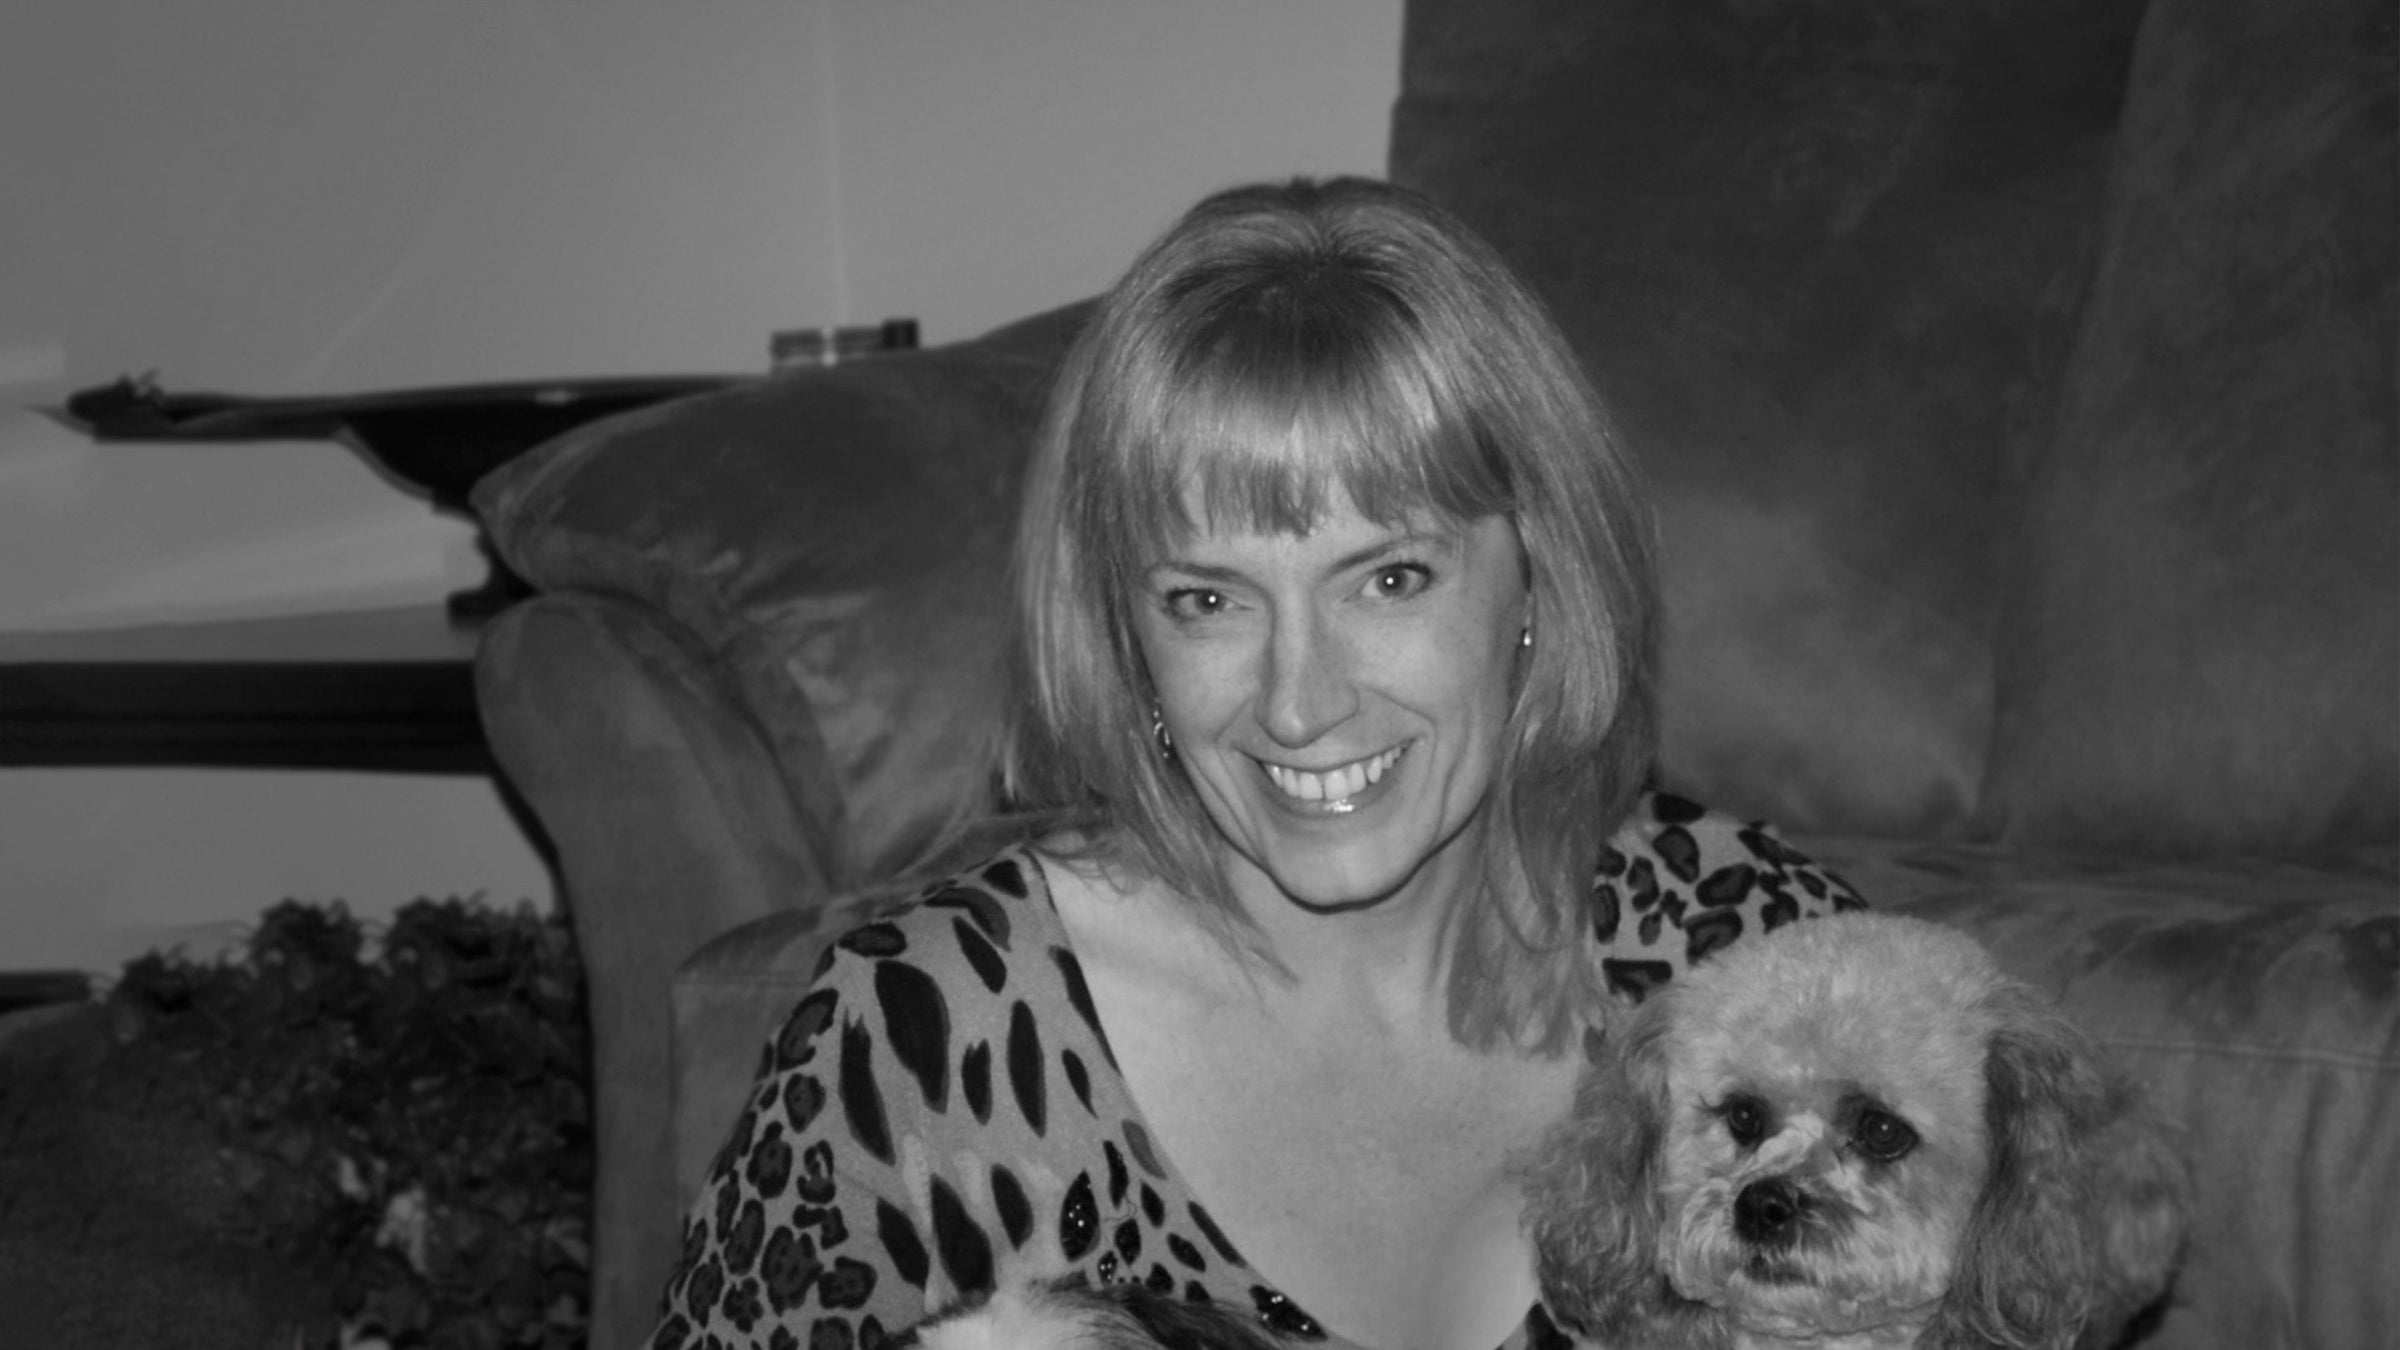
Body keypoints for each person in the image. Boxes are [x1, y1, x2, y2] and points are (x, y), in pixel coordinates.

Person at [647, 177, 1863, 1350]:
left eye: (1390, 578)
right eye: (1208, 599)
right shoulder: (923, 1050)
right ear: (1124, 634)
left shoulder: (1755, 963)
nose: (1298, 702)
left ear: (1541, 573)